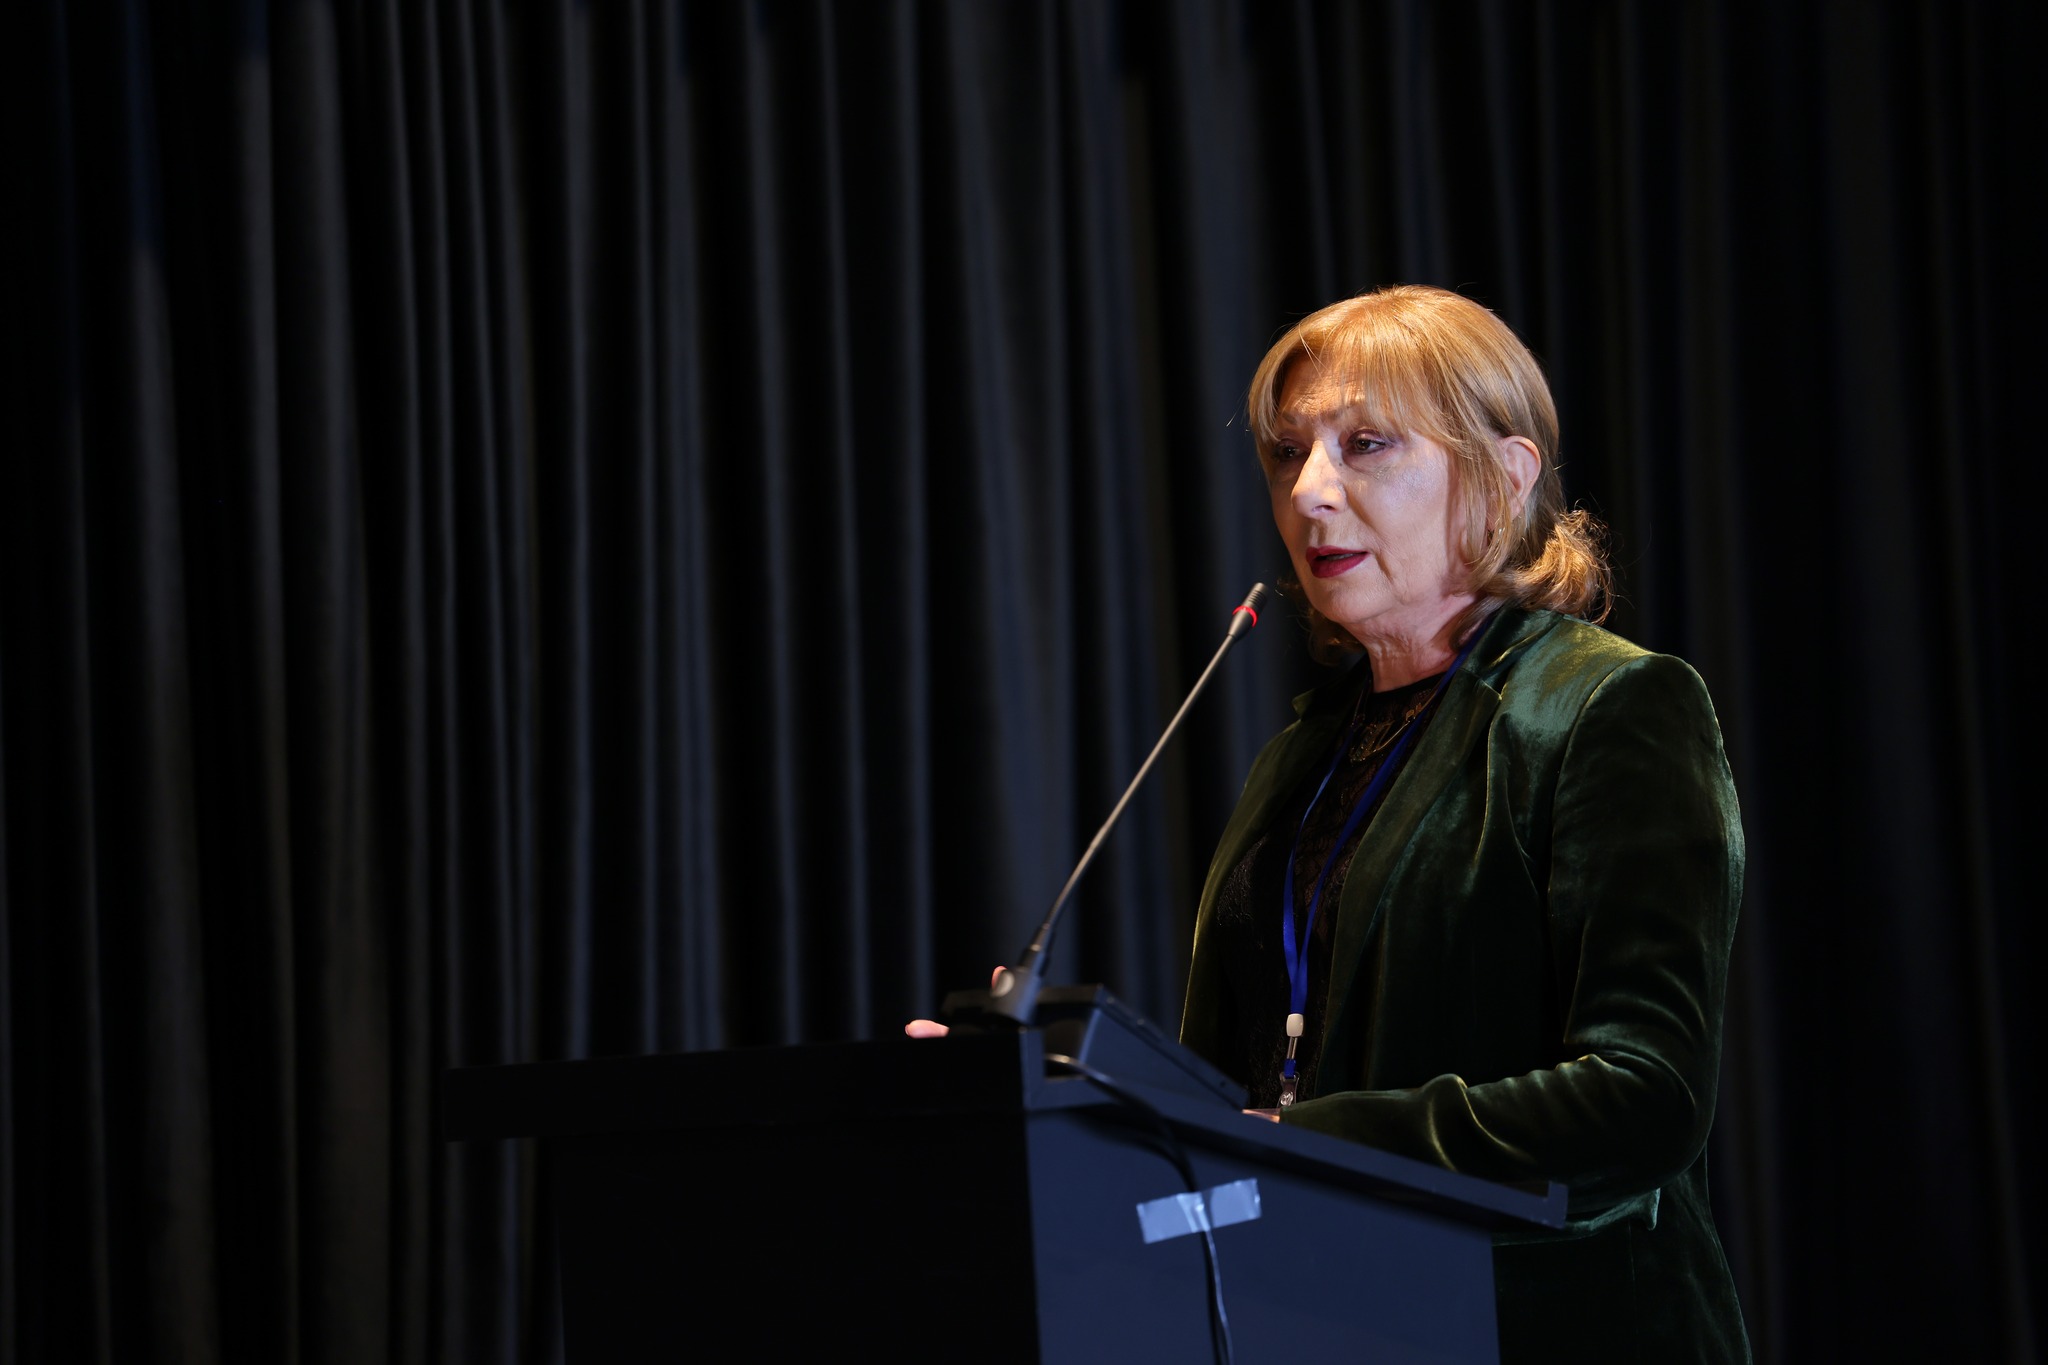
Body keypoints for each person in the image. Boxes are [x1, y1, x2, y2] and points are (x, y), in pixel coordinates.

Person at [1181, 284, 1749, 1362]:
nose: (1309, 492)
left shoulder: (1607, 707)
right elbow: (1236, 1083)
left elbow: (1645, 1099)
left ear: (1503, 476)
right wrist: (1055, 1098)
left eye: (1365, 444)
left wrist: (1312, 1144)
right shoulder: (1300, 755)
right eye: (1288, 452)